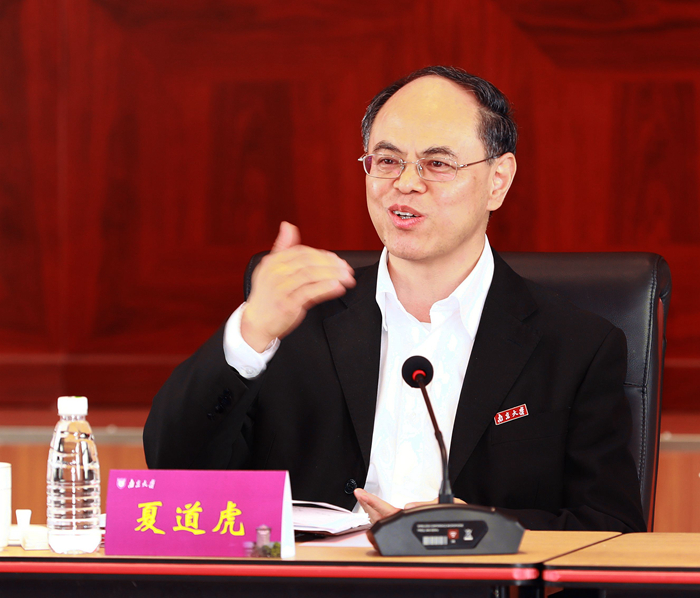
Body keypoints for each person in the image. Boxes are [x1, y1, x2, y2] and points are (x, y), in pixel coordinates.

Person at [144, 66, 646, 532]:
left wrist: (464, 529)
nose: (405, 184)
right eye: (387, 161)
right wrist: (250, 335)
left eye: (437, 163)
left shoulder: (575, 345)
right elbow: (174, 476)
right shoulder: (296, 317)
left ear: (498, 180)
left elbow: (611, 530)